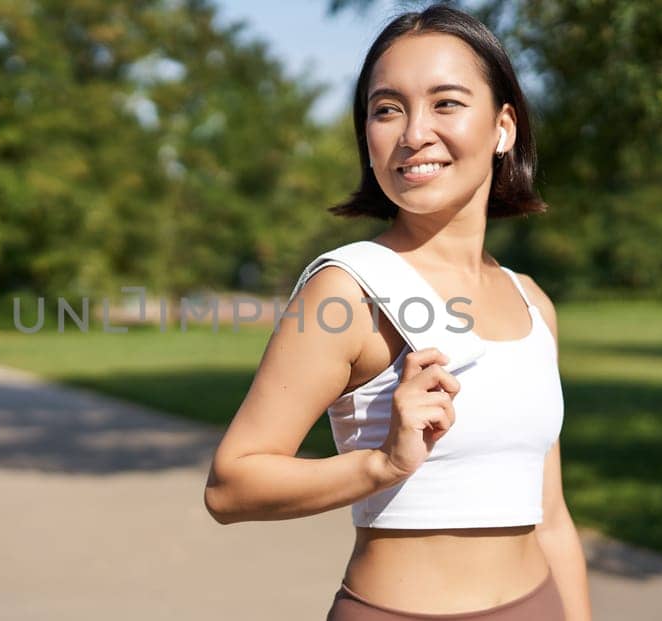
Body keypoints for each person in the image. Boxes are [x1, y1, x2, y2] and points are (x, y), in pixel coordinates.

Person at [203, 5, 592, 620]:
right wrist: (380, 464)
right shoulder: (347, 290)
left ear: (504, 127)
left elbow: (553, 519)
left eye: (446, 103)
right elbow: (231, 485)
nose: (413, 133)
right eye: (387, 109)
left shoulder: (532, 302)